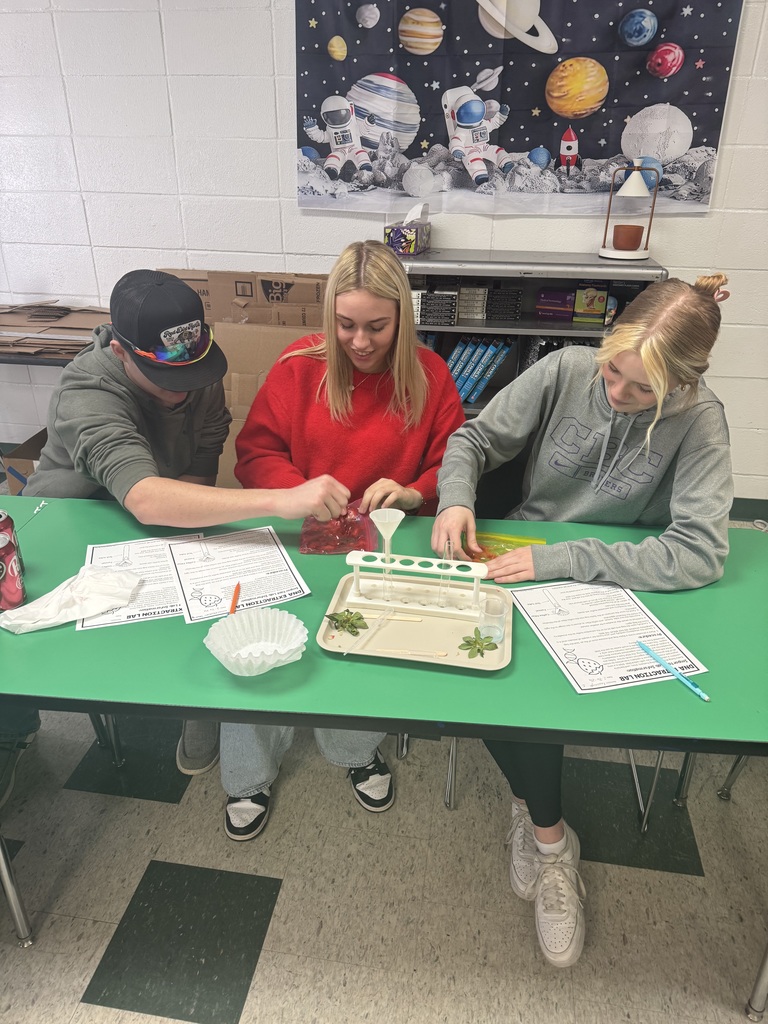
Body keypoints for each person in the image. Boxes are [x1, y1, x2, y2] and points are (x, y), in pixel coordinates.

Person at [431, 273, 733, 968]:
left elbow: (699, 555)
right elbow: (472, 443)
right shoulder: (565, 367)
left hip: (609, 581)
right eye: (613, 372)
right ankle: (550, 838)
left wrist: (566, 560)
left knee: (530, 700)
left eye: (642, 390)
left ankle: (541, 827)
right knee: (486, 673)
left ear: (685, 383)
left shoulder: (702, 418)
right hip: (520, 558)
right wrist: (454, 500)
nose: (617, 394)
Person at [0, 270, 350, 810]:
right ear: (121, 352)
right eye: (166, 380)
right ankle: (12, 731)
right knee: (27, 655)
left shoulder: (193, 366)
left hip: (158, 523)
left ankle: (196, 705)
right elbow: (142, 496)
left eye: (194, 373)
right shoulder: (87, 388)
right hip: (76, 529)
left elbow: (199, 466)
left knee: (221, 590)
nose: (184, 388)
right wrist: (282, 499)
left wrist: (192, 535)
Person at [226, 238, 466, 840]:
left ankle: (355, 748)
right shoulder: (297, 367)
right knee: (260, 640)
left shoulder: (431, 375)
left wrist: (414, 492)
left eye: (378, 327)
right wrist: (295, 491)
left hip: (381, 544)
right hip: (297, 536)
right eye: (347, 325)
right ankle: (247, 774)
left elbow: (456, 465)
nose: (360, 342)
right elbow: (253, 456)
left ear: (402, 319)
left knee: (371, 640)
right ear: (330, 316)